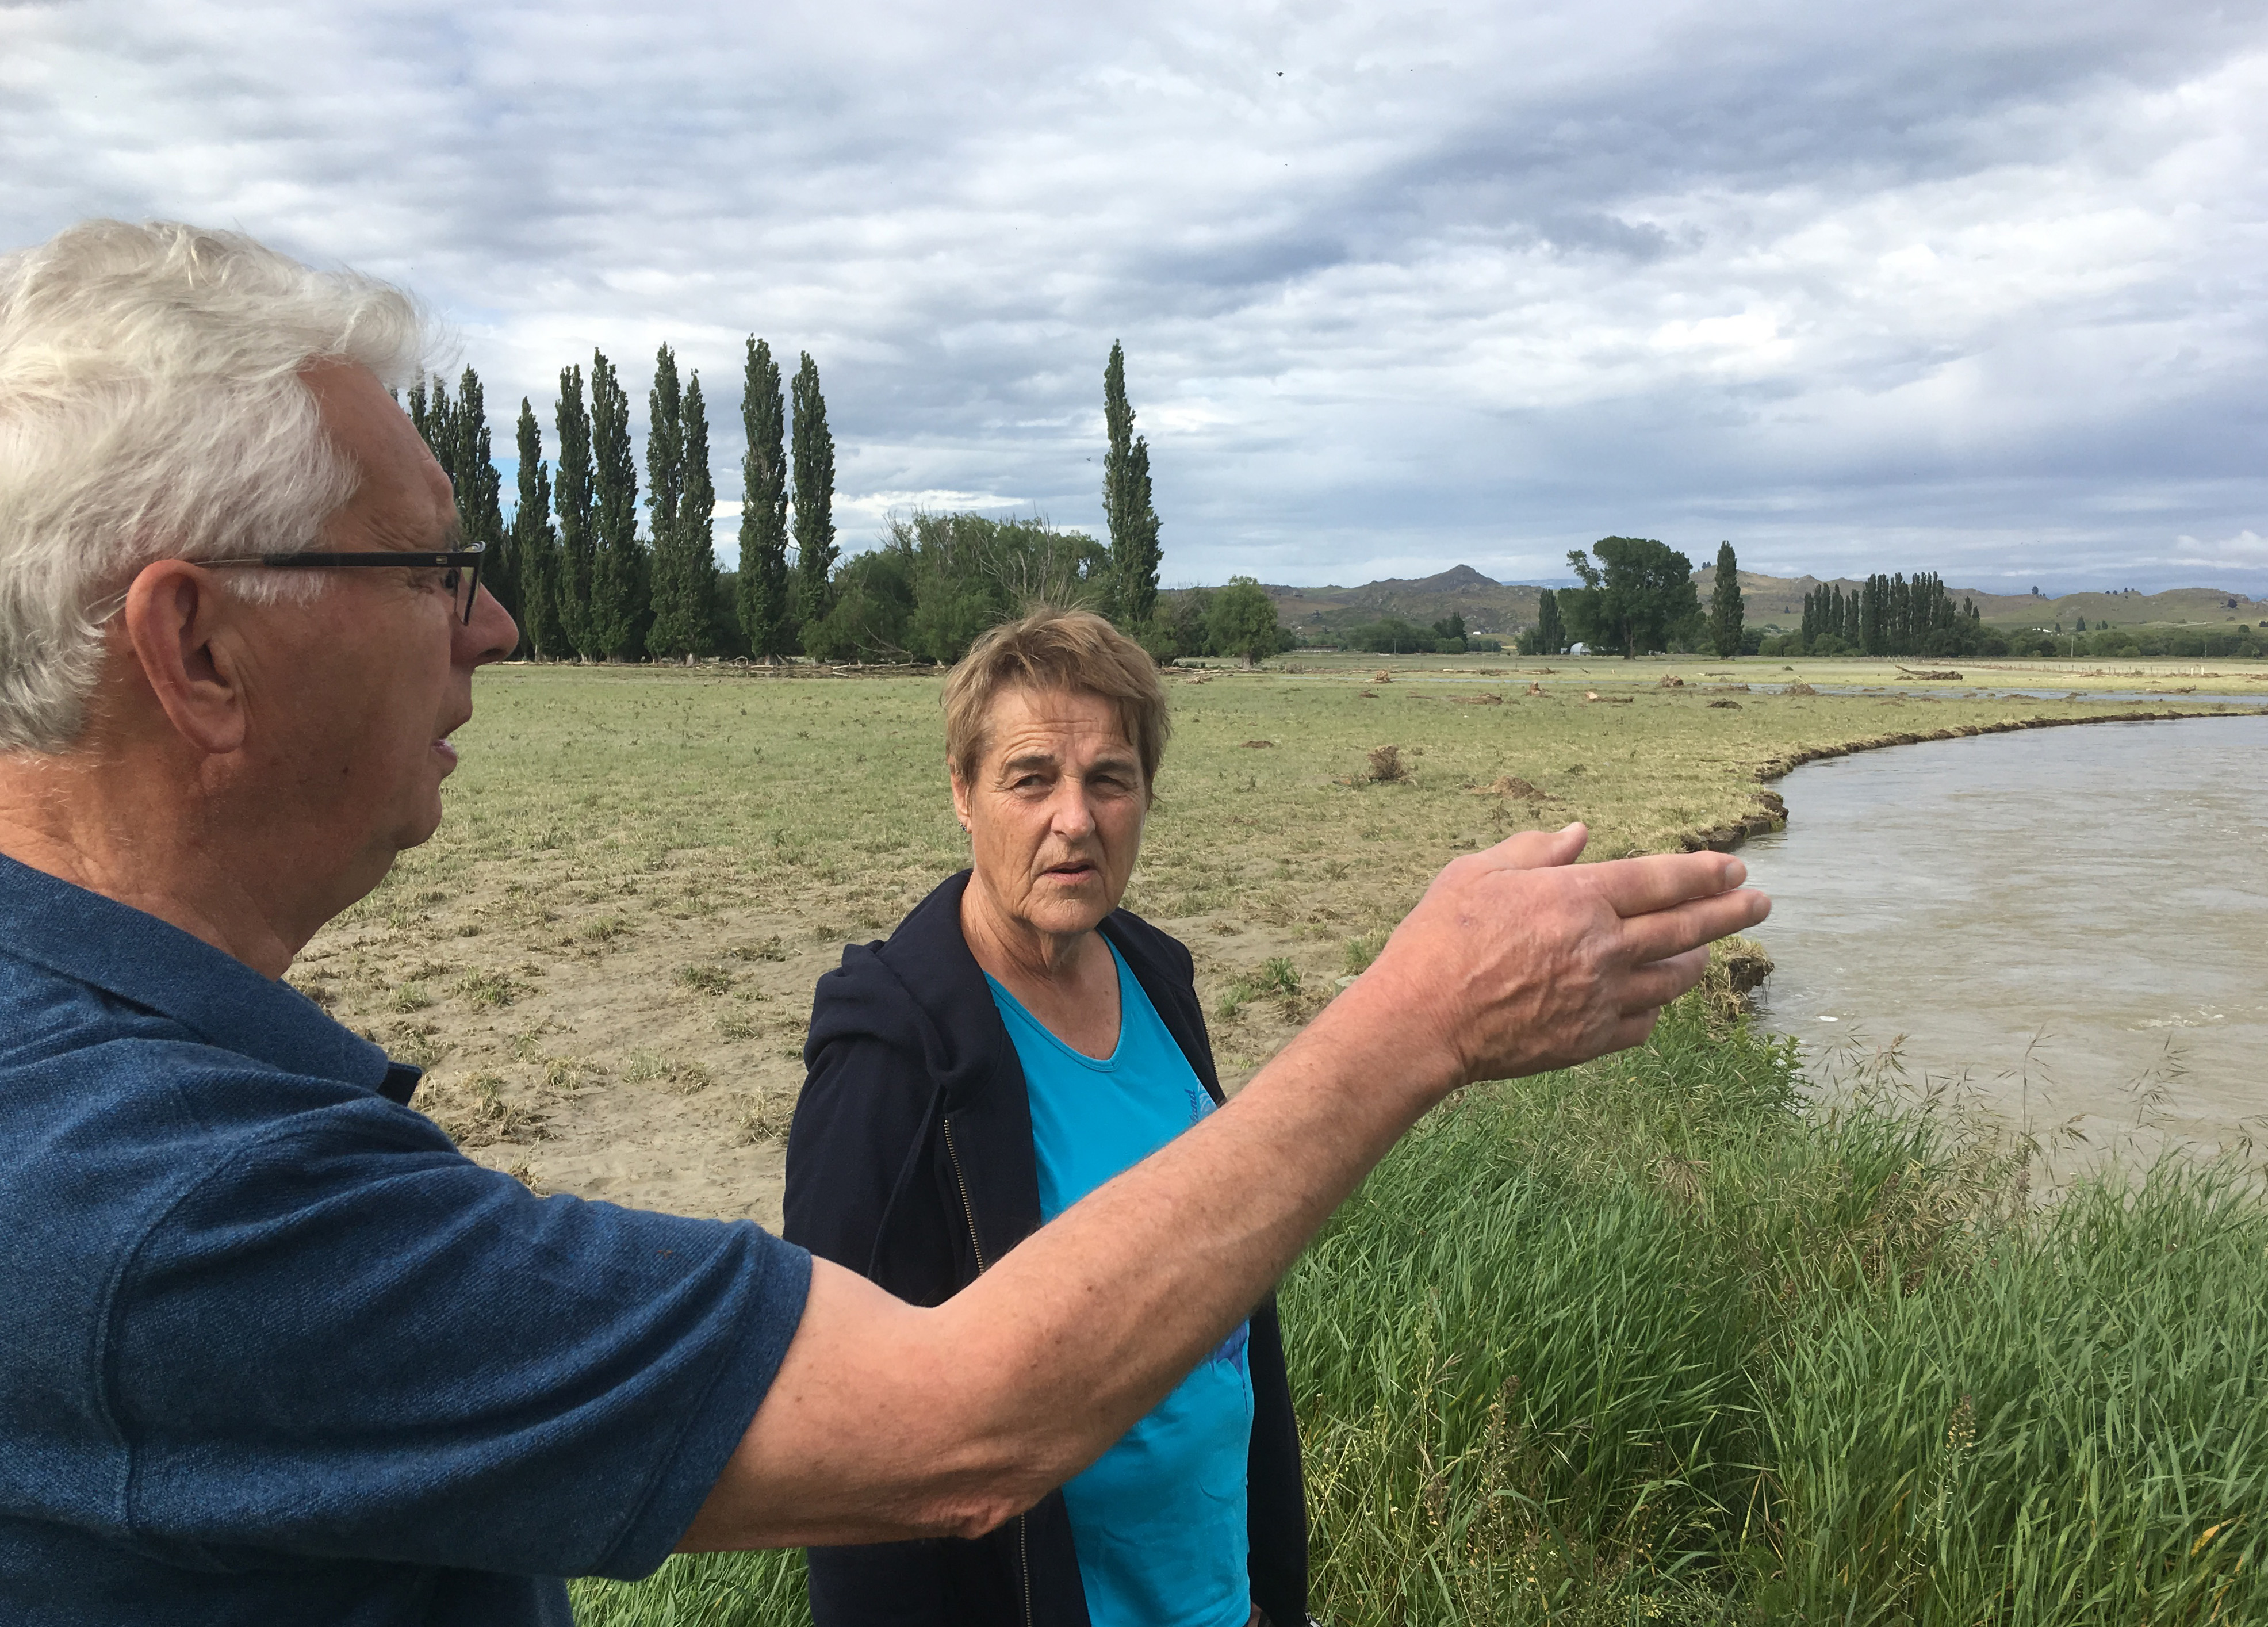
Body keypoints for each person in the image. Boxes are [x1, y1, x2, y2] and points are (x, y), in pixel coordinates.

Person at [0, 219, 1769, 1624]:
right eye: (431, 570)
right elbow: (941, 1429)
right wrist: (1422, 1014)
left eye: (1115, 777)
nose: (496, 628)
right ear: (200, 649)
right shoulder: (168, 1204)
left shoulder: (131, 1089)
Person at [786, 609, 1306, 1627]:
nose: (1076, 818)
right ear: (962, 793)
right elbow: (849, 1461)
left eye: (1109, 778)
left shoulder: (1158, 976)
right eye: (1032, 778)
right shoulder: (893, 1067)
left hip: (1219, 1593)